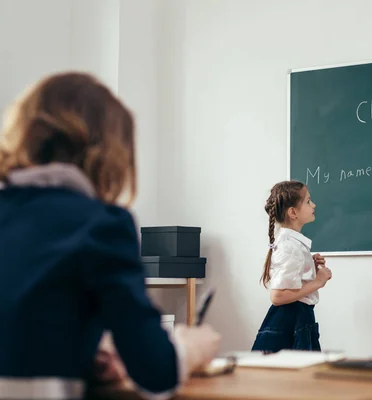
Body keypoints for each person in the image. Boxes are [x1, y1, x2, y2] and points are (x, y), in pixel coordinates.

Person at [0, 72, 221, 399]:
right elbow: (156, 372)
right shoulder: (101, 225)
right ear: (112, 154)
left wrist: (81, 350)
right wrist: (192, 346)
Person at [251, 180, 332, 352]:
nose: (314, 204)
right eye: (308, 201)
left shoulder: (292, 244)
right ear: (293, 212)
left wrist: (310, 269)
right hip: (291, 319)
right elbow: (278, 296)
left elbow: (292, 284)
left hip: (297, 317)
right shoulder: (290, 246)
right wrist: (318, 281)